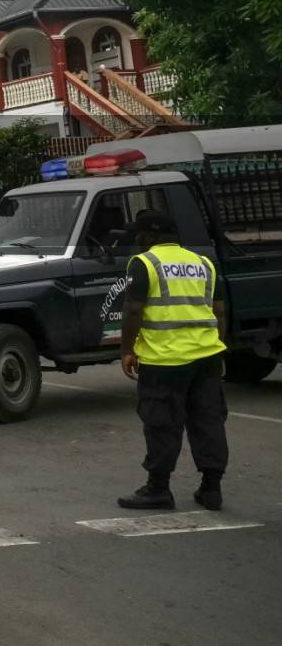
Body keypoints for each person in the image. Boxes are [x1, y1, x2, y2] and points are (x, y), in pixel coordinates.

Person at [116, 210, 231, 512]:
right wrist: (219, 349)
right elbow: (219, 311)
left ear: (151, 236)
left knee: (162, 424)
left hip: (164, 360)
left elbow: (133, 311)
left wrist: (127, 350)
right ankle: (212, 489)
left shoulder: (144, 263)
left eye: (140, 234)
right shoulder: (204, 263)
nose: (138, 240)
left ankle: (158, 489)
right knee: (208, 420)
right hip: (206, 357)